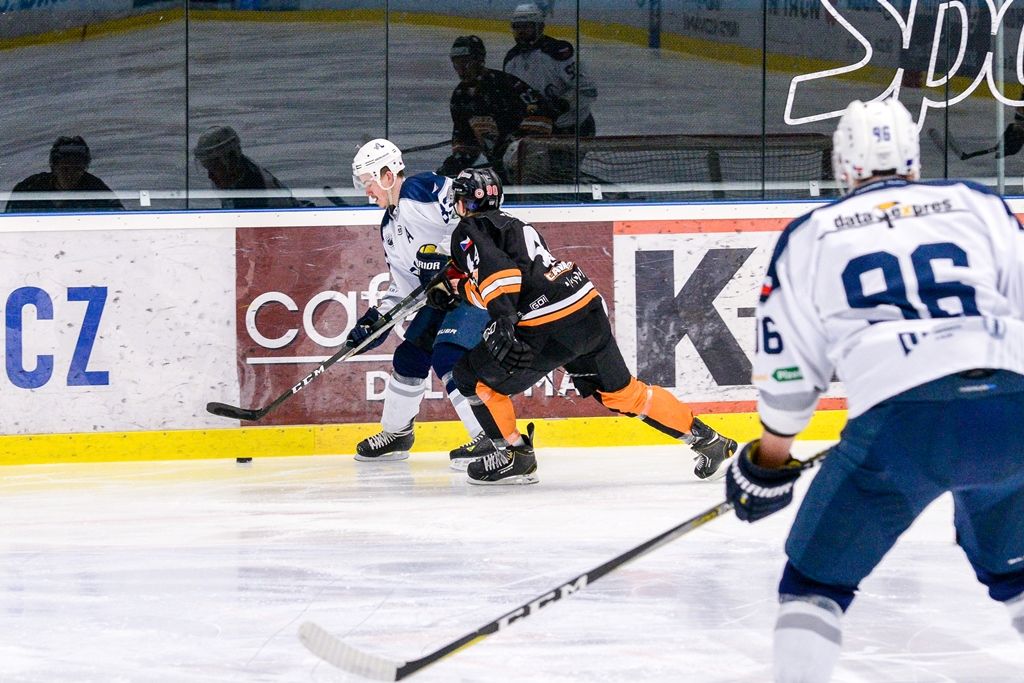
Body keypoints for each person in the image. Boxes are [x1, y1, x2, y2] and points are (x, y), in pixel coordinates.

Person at [724, 98, 1024, 682]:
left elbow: (788, 369)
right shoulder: (980, 205)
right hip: (1014, 412)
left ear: (842, 164)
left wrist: (768, 464)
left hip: (902, 427)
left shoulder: (813, 234)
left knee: (814, 587)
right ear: (913, 159)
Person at [436, 167, 737, 485]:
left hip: (547, 324)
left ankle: (514, 454)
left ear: (462, 202)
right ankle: (706, 439)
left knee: (472, 378)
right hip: (586, 307)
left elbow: (501, 275)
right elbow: (518, 274)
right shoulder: (517, 225)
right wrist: (462, 289)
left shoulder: (469, 230)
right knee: (624, 394)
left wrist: (503, 319)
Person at [348, 138, 496, 468]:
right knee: (409, 355)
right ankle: (397, 433)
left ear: (387, 175)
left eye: (368, 183)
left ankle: (491, 437)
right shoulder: (389, 227)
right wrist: (377, 319)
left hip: (479, 284)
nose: (367, 192)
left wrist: (445, 251)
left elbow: (476, 207)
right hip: (446, 294)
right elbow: (406, 288)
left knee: (448, 356)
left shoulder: (421, 189)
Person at [438, 35, 558, 183]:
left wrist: (515, 144)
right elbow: (465, 138)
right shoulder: (460, 96)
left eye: (466, 62)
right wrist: (459, 161)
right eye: (456, 62)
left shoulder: (505, 84)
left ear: (479, 60)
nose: (461, 68)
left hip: (531, 162)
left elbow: (543, 113)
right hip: (500, 165)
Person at [503, 3, 597, 141]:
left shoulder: (558, 53)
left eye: (526, 27)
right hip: (539, 131)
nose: (521, 32)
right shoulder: (511, 60)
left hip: (573, 127)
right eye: (517, 27)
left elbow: (588, 90)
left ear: (540, 27)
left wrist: (562, 104)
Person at [194, 125, 306, 209]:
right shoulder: (232, 174)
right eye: (207, 167)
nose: (210, 176)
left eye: (214, 167)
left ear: (231, 161)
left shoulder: (256, 197)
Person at [5, 136, 124, 213]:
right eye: (65, 168)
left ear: (84, 169)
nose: (70, 174)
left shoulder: (96, 191)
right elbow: (11, 224)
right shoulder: (30, 189)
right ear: (54, 168)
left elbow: (119, 221)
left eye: (77, 168)